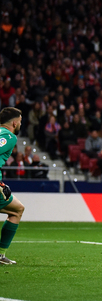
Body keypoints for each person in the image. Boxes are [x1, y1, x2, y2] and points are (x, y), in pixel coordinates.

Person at [0, 107, 26, 264]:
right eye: (21, 122)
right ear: (15, 123)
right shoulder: (9, 136)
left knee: (17, 208)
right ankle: (0, 254)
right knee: (17, 210)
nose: (20, 124)